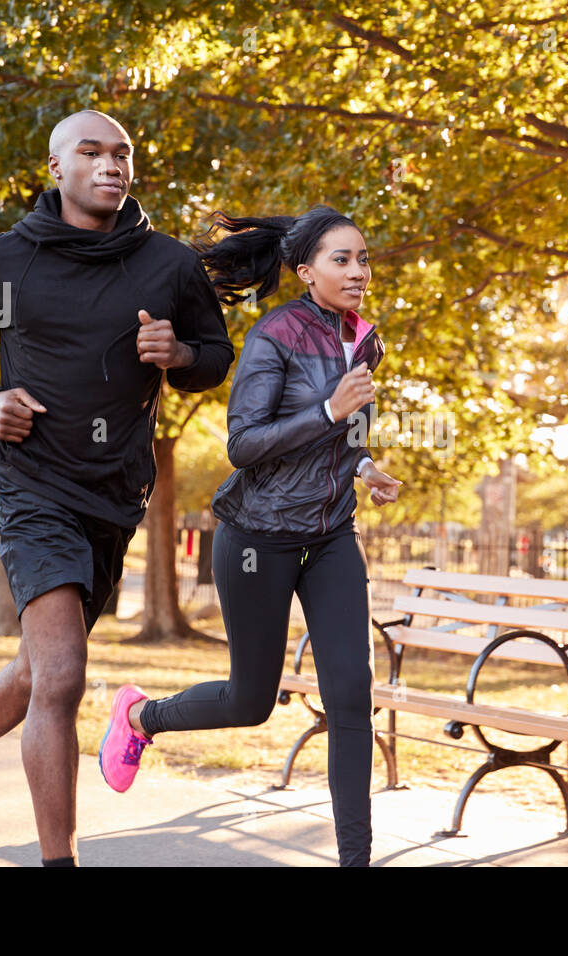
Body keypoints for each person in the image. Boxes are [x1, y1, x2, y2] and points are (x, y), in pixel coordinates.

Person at [0, 109, 234, 866]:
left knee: (34, 676)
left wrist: (181, 350)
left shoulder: (169, 264)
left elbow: (217, 356)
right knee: (63, 676)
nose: (110, 164)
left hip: (115, 495)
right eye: (90, 152)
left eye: (121, 153)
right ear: (56, 169)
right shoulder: (3, 259)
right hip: (32, 485)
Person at [99, 206, 402, 867]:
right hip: (258, 537)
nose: (358, 271)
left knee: (351, 696)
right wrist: (328, 409)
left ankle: (357, 861)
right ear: (304, 271)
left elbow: (344, 439)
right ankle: (140, 717)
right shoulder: (275, 336)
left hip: (329, 536)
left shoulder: (364, 339)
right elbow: (244, 445)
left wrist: (366, 466)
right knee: (250, 702)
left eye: (363, 259)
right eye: (341, 260)